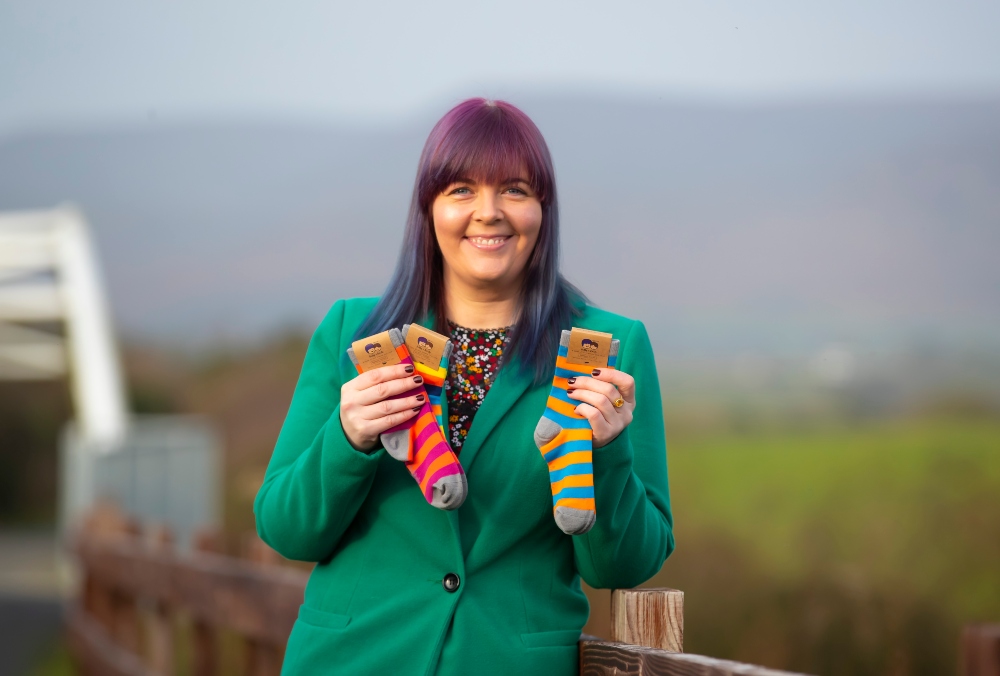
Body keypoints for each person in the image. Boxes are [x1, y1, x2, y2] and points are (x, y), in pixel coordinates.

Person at [254, 98, 674, 675]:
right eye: (461, 190)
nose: (489, 212)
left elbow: (623, 567)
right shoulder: (353, 333)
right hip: (348, 660)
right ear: (428, 207)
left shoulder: (607, 347)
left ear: (544, 210)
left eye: (515, 190)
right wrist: (346, 440)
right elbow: (286, 531)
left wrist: (607, 453)